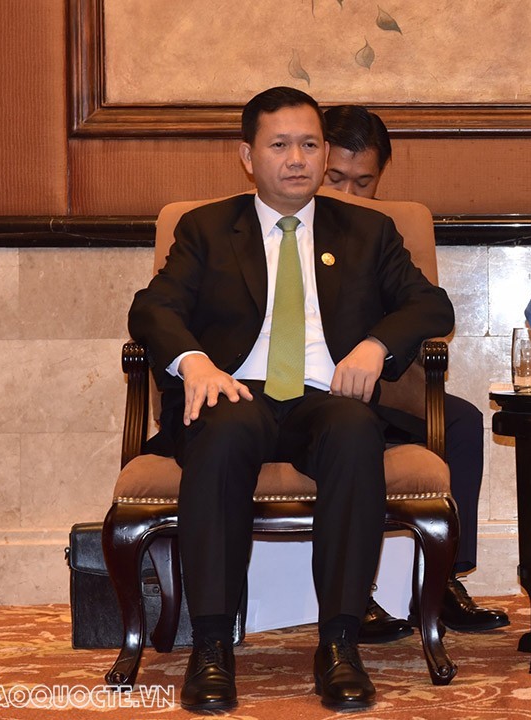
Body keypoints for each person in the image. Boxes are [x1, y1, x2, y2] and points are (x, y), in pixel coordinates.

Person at [128, 87, 454, 712]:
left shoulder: (367, 229)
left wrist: (375, 347)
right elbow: (153, 308)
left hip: (321, 397)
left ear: (324, 150)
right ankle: (213, 648)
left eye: (309, 144)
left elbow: (429, 305)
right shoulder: (206, 229)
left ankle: (339, 645)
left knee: (355, 430)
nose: (297, 159)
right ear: (247, 155)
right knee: (223, 431)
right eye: (279, 145)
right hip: (233, 391)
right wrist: (195, 363)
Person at [321, 104, 510, 641]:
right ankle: (353, 596)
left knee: (462, 420)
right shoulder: (277, 227)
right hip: (294, 398)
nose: (349, 196)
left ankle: (443, 578)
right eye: (336, 180)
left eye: (364, 183)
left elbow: (431, 308)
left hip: (373, 390)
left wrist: (377, 345)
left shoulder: (379, 233)